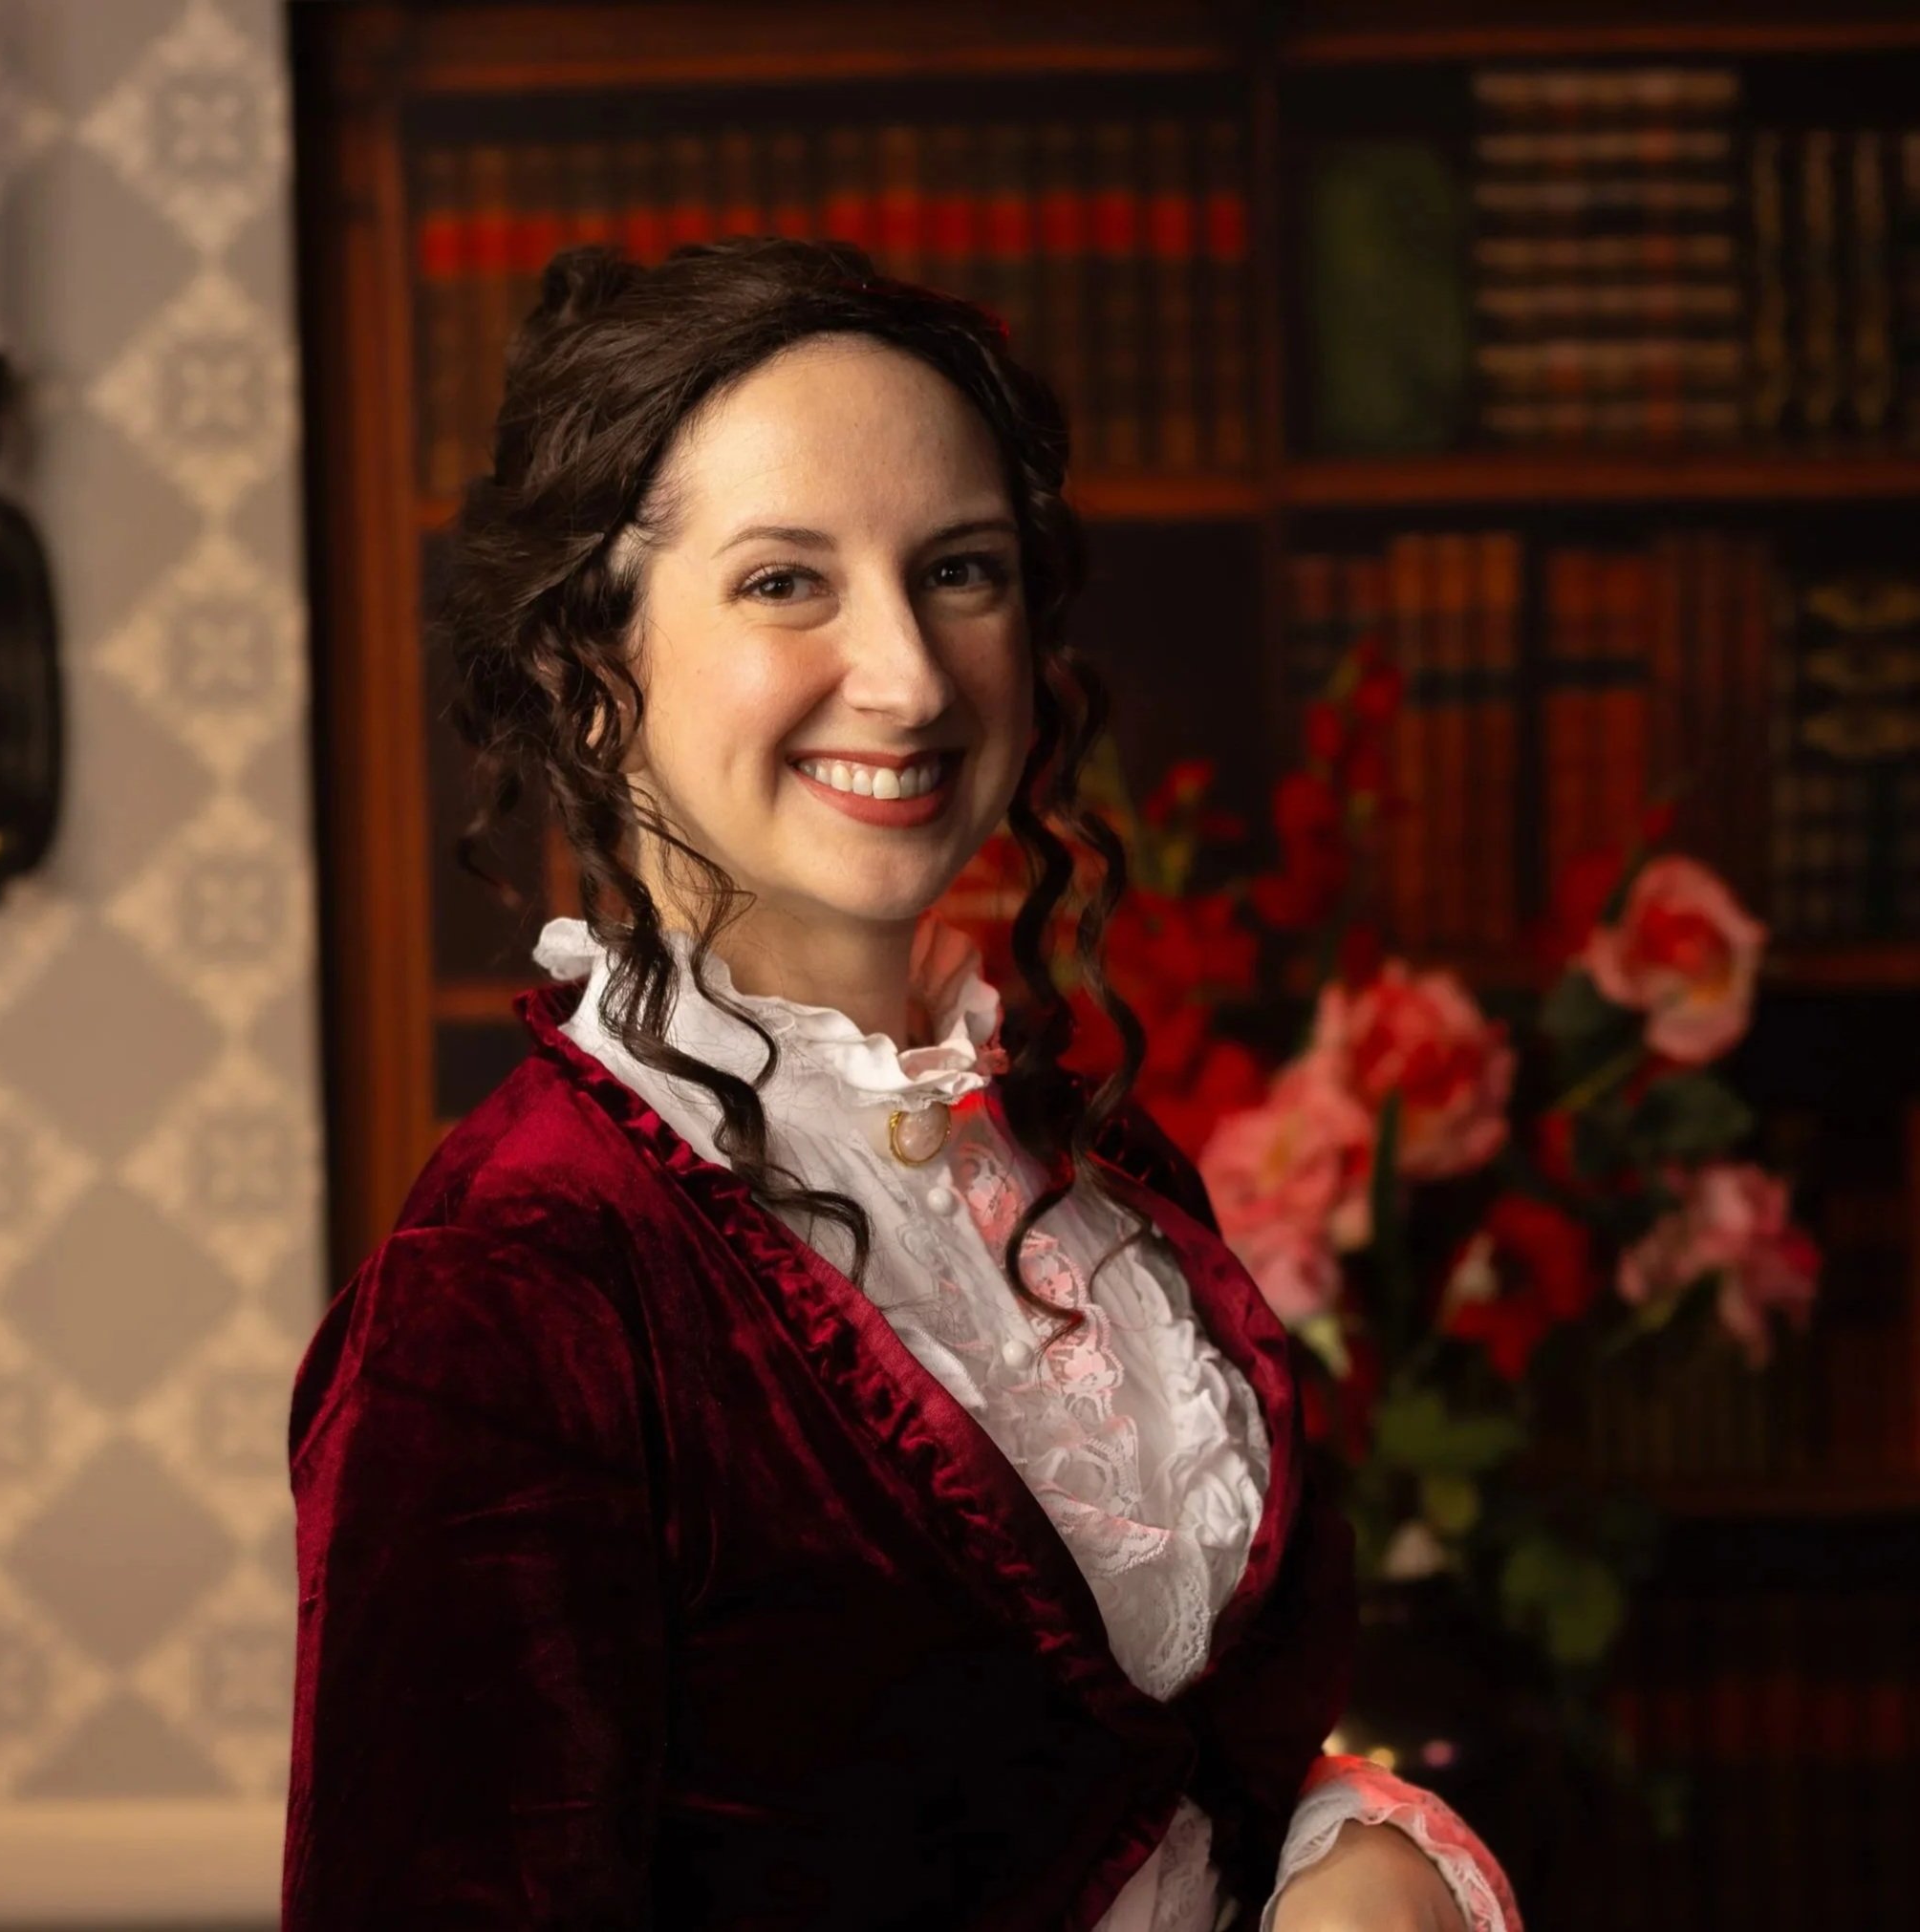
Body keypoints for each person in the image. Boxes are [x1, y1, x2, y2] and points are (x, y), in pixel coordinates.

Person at [282, 237, 1521, 1930]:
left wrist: (1354, 1853)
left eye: (959, 570)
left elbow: (1137, 1781)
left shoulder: (1084, 1160)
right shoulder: (511, 1284)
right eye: (785, 581)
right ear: (592, 664)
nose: (912, 675)